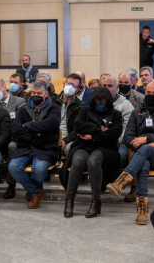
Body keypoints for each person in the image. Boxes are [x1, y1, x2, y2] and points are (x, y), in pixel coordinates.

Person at [106, 82, 154, 225]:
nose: (151, 95)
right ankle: (142, 211)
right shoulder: (136, 112)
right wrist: (137, 142)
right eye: (149, 93)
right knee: (143, 164)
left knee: (144, 149)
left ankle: (121, 182)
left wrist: (147, 139)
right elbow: (127, 137)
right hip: (141, 156)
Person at [61, 87, 122, 218]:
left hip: (104, 148)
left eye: (103, 102)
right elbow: (78, 126)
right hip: (83, 145)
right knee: (78, 161)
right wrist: (99, 128)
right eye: (97, 102)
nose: (100, 105)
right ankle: (69, 200)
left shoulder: (116, 114)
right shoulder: (85, 110)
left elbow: (114, 133)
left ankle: (96, 201)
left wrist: (93, 136)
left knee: (93, 162)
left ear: (108, 102)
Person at [9, 80, 61, 209]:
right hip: (25, 147)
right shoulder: (24, 109)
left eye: (39, 93)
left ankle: (33, 191)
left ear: (46, 93)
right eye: (33, 92)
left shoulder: (54, 108)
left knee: (38, 169)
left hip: (46, 148)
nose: (36, 95)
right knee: (13, 167)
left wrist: (28, 125)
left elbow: (51, 124)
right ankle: (36, 191)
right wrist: (36, 133)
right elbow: (15, 129)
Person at [0, 78, 25, 199]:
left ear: (4, 88)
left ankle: (11, 186)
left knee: (12, 147)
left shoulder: (19, 102)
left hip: (14, 137)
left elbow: (19, 124)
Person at [102, 77, 134, 177]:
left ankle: (118, 180)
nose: (107, 88)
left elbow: (127, 126)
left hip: (120, 141)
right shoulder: (96, 102)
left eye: (110, 86)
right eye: (104, 86)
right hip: (101, 139)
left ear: (117, 87)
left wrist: (118, 140)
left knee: (121, 155)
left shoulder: (126, 104)